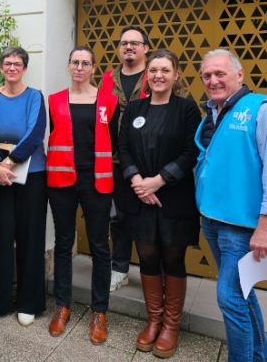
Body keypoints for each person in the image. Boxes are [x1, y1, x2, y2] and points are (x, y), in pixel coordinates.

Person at [195, 49, 267, 362]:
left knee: (229, 298)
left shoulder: (263, 110)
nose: (213, 80)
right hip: (212, 219)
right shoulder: (212, 111)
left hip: (242, 226)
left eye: (220, 73)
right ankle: (259, 357)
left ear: (240, 75)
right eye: (207, 75)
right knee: (243, 295)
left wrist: (266, 228)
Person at [118, 49, 201, 358]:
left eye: (165, 70)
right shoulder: (136, 107)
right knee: (148, 256)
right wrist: (137, 179)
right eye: (153, 70)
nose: (158, 75)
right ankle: (154, 320)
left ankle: (171, 325)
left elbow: (191, 152)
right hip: (139, 196)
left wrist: (159, 180)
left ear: (176, 75)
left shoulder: (187, 109)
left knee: (172, 257)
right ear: (147, 74)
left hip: (173, 197)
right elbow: (123, 145)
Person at [46, 46, 119, 345]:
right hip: (62, 180)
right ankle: (62, 305)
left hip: (97, 181)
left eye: (85, 63)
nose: (79, 67)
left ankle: (99, 311)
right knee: (63, 244)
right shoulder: (54, 101)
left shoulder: (108, 102)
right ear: (68, 66)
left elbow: (113, 142)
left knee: (100, 247)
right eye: (75, 62)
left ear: (93, 68)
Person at [0, 47, 47, 327]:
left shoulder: (34, 97)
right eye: (7, 63)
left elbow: (35, 132)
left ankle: (30, 302)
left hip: (32, 174)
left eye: (17, 63)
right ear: (1, 67)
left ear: (25, 68)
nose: (12, 68)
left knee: (30, 237)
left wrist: (11, 162)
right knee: (0, 236)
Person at [99, 26, 150, 291]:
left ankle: (152, 272)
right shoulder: (108, 78)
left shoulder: (155, 75)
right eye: (124, 43)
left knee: (146, 218)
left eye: (135, 43)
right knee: (117, 217)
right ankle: (119, 268)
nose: (128, 47)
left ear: (145, 48)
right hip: (114, 160)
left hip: (148, 163)